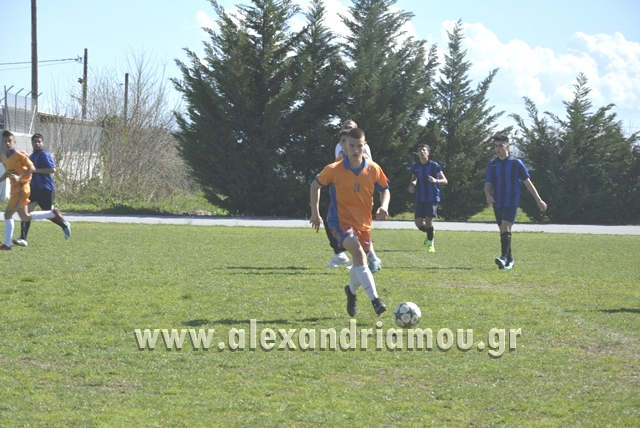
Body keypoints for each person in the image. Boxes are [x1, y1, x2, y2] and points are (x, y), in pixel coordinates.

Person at [311, 127, 390, 316]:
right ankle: (376, 300)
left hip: (364, 223)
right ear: (345, 145)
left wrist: (384, 206)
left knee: (358, 262)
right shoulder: (334, 169)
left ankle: (351, 292)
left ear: (365, 145)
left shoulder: (373, 169)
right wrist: (315, 212)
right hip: (339, 221)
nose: (355, 150)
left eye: (359, 146)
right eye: (352, 146)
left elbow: (385, 189)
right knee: (358, 253)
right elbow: (315, 185)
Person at [484, 134, 547, 269]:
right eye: (496, 146)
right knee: (503, 231)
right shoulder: (493, 164)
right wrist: (488, 195)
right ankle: (510, 259)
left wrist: (539, 200)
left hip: (512, 201)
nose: (498, 149)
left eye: (501, 146)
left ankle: (503, 257)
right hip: (497, 201)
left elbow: (528, 182)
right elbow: (488, 183)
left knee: (506, 228)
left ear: (507, 146)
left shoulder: (516, 163)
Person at [0, 130, 68, 250]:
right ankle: (51, 215)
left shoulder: (33, 155)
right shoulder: (6, 157)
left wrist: (20, 177)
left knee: (8, 214)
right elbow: (9, 171)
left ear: (14, 142)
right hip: (29, 188)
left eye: (10, 141)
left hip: (30, 188)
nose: (8, 143)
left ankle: (7, 244)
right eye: (5, 141)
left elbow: (35, 168)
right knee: (25, 216)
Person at [408, 144, 448, 252]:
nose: (422, 152)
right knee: (418, 223)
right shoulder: (415, 167)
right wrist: (412, 186)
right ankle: (430, 232)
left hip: (432, 196)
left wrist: (436, 181)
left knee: (429, 221)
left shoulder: (435, 166)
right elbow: (413, 179)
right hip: (420, 197)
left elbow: (445, 181)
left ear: (428, 152)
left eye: (424, 150)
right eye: (419, 150)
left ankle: (431, 244)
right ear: (417, 153)